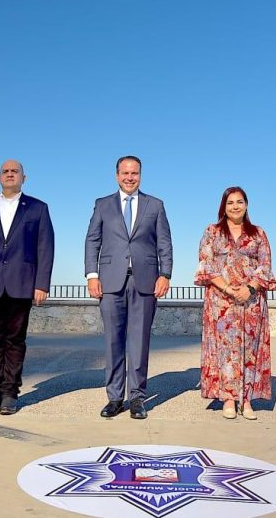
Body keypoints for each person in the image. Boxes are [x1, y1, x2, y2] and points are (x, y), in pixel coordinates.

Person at [85, 155, 173, 420]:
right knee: (113, 341)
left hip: (145, 281)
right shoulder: (102, 205)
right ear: (116, 175)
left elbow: (164, 244)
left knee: (139, 342)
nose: (129, 177)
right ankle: (114, 398)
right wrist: (92, 274)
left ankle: (137, 397)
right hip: (110, 282)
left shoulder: (155, 205)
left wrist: (165, 273)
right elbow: (92, 241)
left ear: (140, 175)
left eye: (134, 173)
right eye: (125, 173)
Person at [0, 160, 55, 416]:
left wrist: (41, 284)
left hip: (21, 283)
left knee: (15, 340)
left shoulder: (37, 208)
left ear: (24, 178)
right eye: (6, 171)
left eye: (15, 171)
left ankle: (10, 393)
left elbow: (45, 247)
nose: (10, 174)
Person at [194, 186, 276, 420]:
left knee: (250, 349)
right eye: (230, 203)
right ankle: (229, 398)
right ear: (224, 206)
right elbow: (206, 266)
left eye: (240, 202)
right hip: (221, 301)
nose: (235, 206)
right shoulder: (212, 232)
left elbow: (265, 266)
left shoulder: (258, 233)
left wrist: (249, 288)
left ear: (247, 205)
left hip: (251, 300)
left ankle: (247, 398)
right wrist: (230, 289)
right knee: (224, 351)